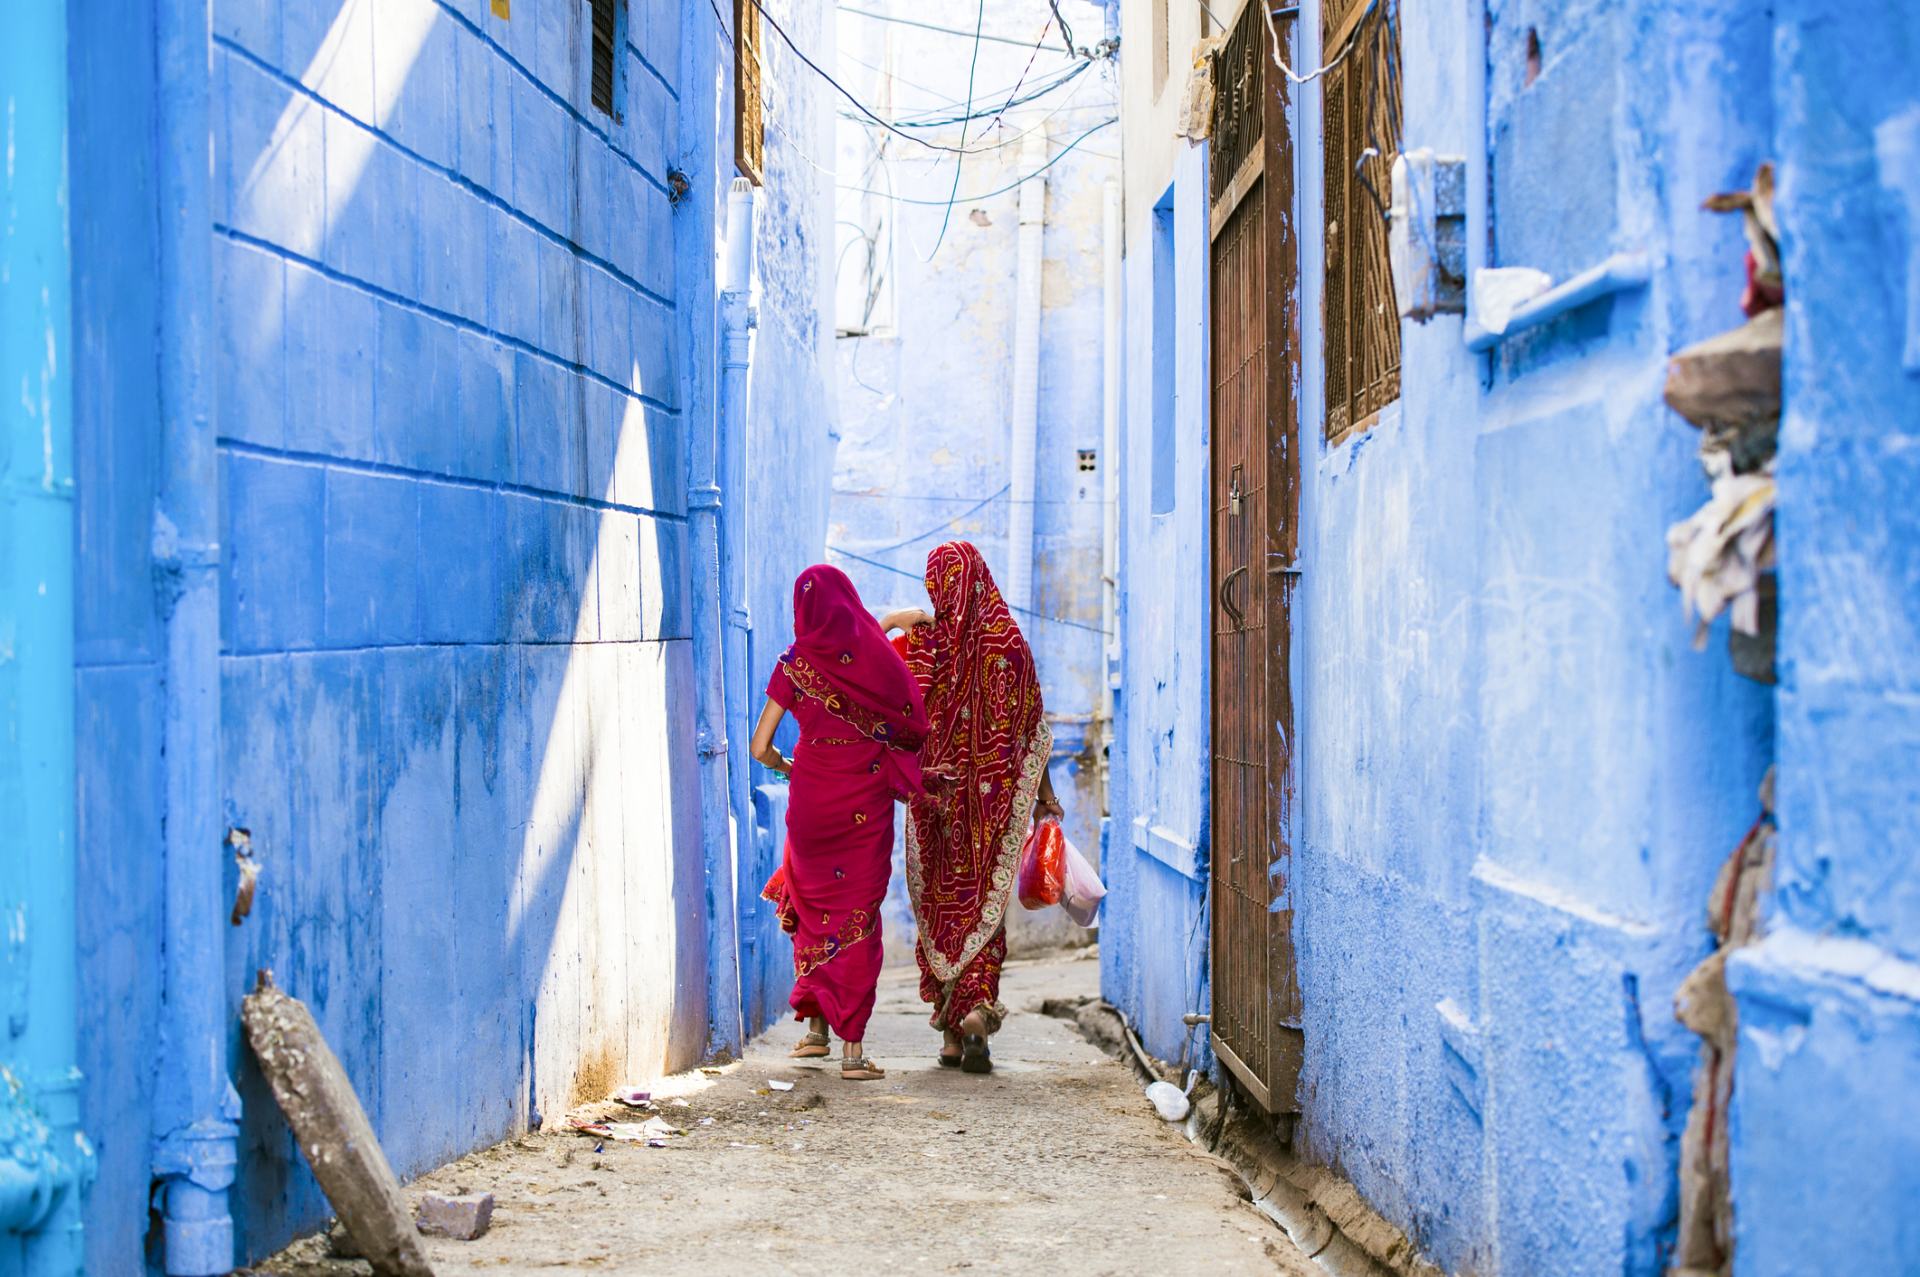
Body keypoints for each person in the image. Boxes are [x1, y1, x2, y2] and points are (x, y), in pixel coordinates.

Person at [879, 541, 1064, 1074]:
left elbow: (894, 705)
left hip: (935, 803)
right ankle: (977, 1010)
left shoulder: (926, 645)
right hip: (992, 808)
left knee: (942, 908)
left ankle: (950, 1036)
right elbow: (1034, 734)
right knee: (984, 909)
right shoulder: (1010, 645)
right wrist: (1043, 797)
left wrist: (902, 619)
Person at [750, 564, 925, 1081]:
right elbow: (908, 718)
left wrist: (790, 765)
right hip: (862, 801)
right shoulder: (872, 657)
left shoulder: (793, 665)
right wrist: (893, 622)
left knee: (813, 908)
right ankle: (853, 1052)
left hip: (810, 800)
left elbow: (760, 747)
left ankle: (815, 1033)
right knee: (856, 913)